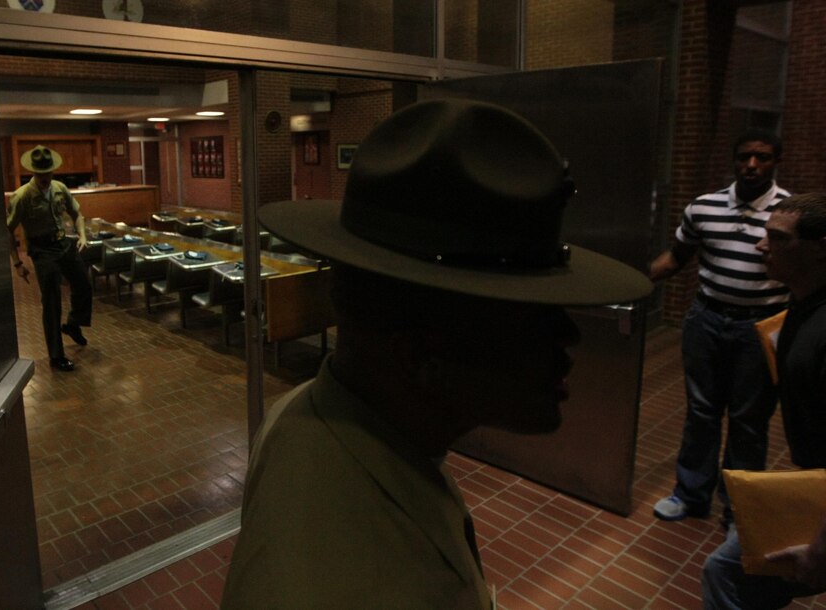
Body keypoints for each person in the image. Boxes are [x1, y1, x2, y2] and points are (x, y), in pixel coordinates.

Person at [219, 99, 652, 608]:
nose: (568, 336)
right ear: (422, 353)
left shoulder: (316, 415)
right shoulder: (355, 587)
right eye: (532, 314)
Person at [651, 131, 790, 524]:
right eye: (744, 156)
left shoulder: (790, 212)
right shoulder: (704, 207)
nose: (752, 165)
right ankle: (691, 495)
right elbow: (676, 258)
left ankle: (738, 506)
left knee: (750, 419)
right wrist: (635, 282)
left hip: (761, 326)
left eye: (761, 157)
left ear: (775, 161)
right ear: (734, 160)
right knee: (701, 412)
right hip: (707, 320)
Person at [702, 192, 826, 609]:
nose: (760, 246)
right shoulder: (802, 303)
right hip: (813, 479)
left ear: (820, 248)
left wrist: (822, 547)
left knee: (728, 573)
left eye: (777, 238)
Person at [7, 145, 93, 372]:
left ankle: (73, 324)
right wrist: (17, 263)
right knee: (52, 301)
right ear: (33, 172)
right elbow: (8, 230)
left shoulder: (59, 188)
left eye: (48, 173)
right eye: (40, 174)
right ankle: (56, 356)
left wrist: (82, 234)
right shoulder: (22, 196)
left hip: (63, 243)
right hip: (42, 250)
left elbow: (77, 214)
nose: (45, 178)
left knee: (84, 284)